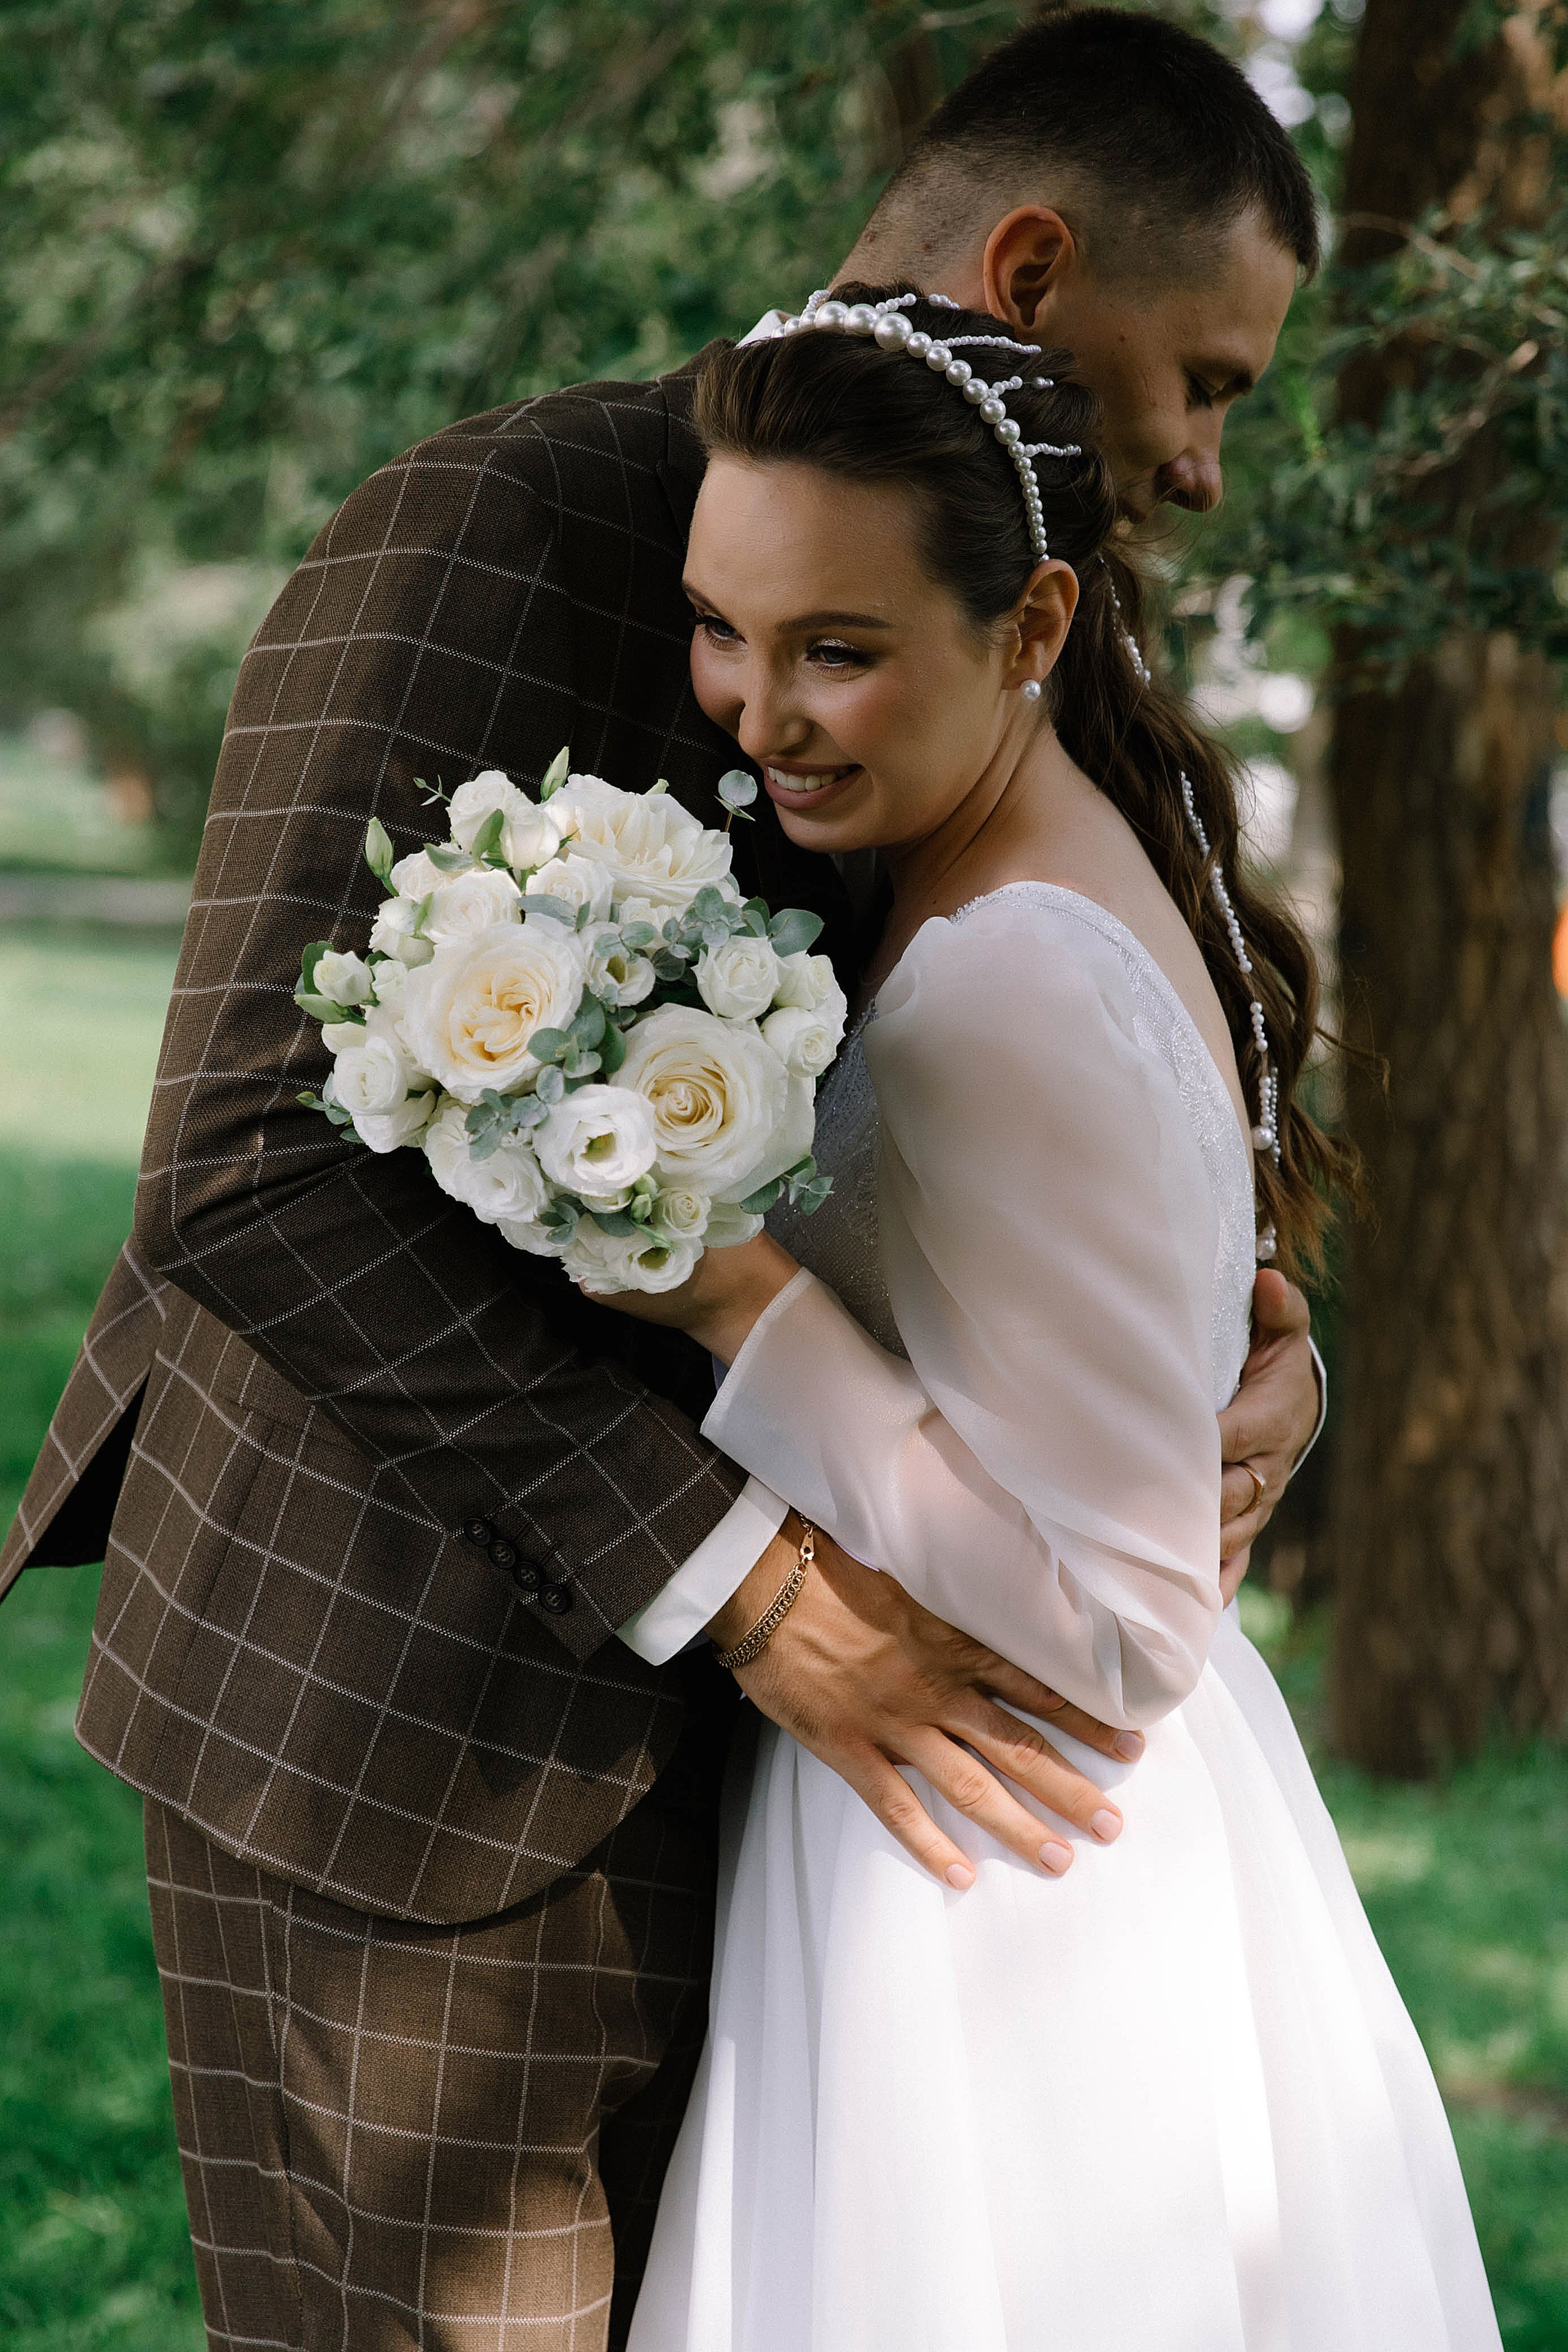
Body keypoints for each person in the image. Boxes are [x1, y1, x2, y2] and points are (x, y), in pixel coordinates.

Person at [0, 13, 1326, 2349]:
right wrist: (753, 1595)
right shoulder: (516, 522)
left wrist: (1257, 1356)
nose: (1208, 463)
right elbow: (244, 1163)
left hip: (840, 1816)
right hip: (416, 1760)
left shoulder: (1028, 627)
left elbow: (1076, 1100)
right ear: (1032, 270)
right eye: (1203, 378)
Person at [607, 290, 1501, 2352]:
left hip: (1005, 1867)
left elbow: (1125, 1632)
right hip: (1009, 1819)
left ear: (1031, 627)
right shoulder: (1027, 845)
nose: (758, 714)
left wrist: (739, 1303)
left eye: (839, 651)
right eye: (724, 629)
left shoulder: (1008, 968)